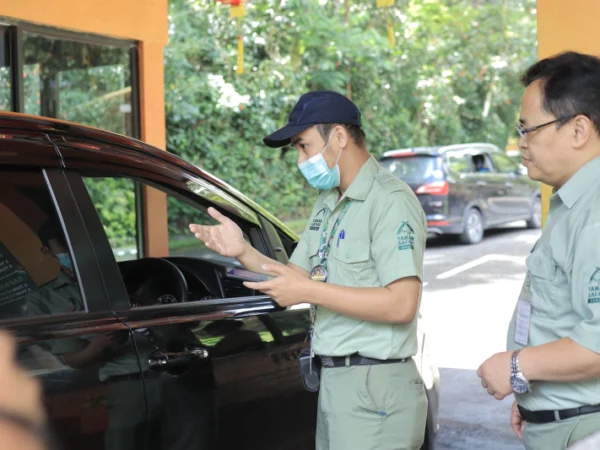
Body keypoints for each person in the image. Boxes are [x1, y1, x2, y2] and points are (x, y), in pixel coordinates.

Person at [189, 90, 428, 450]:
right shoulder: (328, 201)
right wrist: (242, 250)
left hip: (376, 386)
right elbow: (294, 277)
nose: (301, 159)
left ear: (340, 137)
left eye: (304, 146)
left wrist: (309, 292)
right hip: (338, 382)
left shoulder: (390, 201)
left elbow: (402, 304)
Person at [477, 51, 600, 450]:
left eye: (529, 129)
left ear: (578, 130)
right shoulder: (572, 203)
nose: (520, 143)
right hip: (564, 422)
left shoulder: (596, 212)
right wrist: (537, 398)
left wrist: (516, 366)